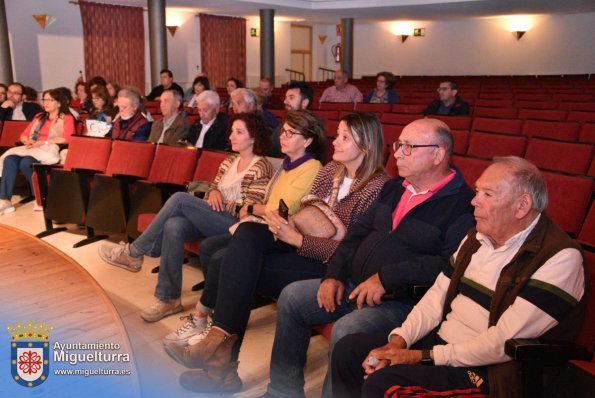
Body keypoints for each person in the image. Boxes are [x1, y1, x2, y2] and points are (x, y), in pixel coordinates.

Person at [165, 112, 391, 395]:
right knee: (241, 240)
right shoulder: (329, 171)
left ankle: (220, 366)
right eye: (339, 134)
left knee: (227, 263)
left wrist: (299, 238)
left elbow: (355, 251)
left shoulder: (377, 188)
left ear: (366, 146)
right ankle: (220, 348)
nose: (336, 141)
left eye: (346, 137)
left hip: (332, 265)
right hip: (300, 243)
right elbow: (307, 210)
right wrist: (286, 224)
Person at [331, 157, 586, 398]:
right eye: (477, 191)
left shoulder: (558, 257)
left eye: (487, 194)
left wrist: (418, 356)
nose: (474, 201)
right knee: (350, 350)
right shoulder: (476, 237)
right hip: (442, 343)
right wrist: (400, 340)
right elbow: (437, 296)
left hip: (491, 371)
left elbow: (501, 344)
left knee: (384, 383)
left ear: (522, 205)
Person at [262, 118, 476, 398]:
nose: (397, 153)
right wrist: (334, 275)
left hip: (401, 302)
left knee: (348, 329)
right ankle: (282, 391)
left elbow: (448, 264)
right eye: (398, 145)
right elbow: (355, 235)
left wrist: (387, 278)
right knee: (292, 297)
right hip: (352, 284)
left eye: (408, 147)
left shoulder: (463, 204)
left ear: (438, 153)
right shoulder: (394, 188)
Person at [98, 112, 274, 320]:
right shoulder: (229, 162)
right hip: (213, 216)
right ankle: (169, 299)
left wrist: (222, 201)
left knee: (180, 198)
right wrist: (212, 192)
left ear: (253, 137)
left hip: (237, 225)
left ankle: (135, 252)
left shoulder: (262, 166)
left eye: (239, 132)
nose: (232, 137)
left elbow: (249, 209)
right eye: (232, 132)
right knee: (174, 225)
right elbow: (210, 187)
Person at [0, 88, 75, 215]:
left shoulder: (66, 118)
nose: (46, 103)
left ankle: (41, 198)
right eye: (44, 100)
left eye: (50, 100)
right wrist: (27, 141)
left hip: (51, 149)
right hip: (33, 148)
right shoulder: (39, 117)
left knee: (26, 162)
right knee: (10, 159)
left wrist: (44, 142)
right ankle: (4, 200)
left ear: (59, 103)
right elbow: (24, 134)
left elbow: (68, 138)